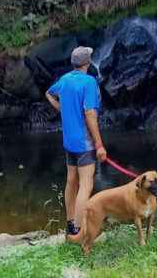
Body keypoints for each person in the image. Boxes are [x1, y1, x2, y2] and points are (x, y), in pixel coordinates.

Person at [45, 45, 107, 236]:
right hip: (84, 142)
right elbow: (90, 113)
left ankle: (70, 224)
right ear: (88, 63)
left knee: (71, 181)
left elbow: (48, 93)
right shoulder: (88, 82)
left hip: (69, 141)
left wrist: (63, 109)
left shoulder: (64, 79)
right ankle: (79, 230)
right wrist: (99, 144)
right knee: (86, 185)